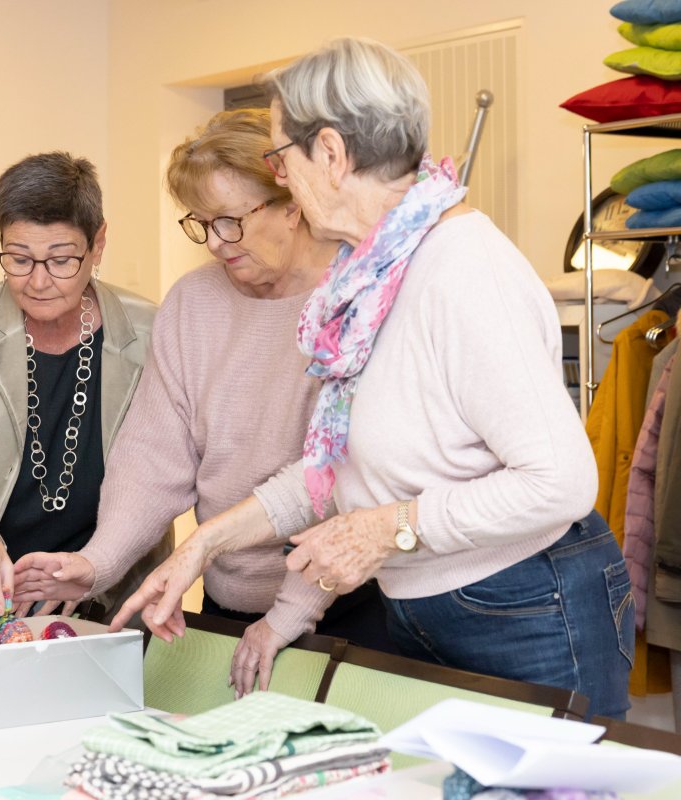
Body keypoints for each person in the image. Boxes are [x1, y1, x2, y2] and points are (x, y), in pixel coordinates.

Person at [112, 37, 632, 719]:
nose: (280, 178)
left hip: (531, 609)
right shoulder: (374, 273)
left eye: (280, 157)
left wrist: (389, 530)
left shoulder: (461, 268)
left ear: (329, 153)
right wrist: (207, 544)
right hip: (427, 611)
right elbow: (339, 467)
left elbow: (559, 482)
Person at [13, 110, 395, 669]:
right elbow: (152, 458)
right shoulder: (193, 302)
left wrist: (288, 613)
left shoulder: (357, 300)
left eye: (229, 221)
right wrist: (98, 562)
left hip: (350, 604)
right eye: (202, 223)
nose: (215, 242)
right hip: (225, 601)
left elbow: (342, 480)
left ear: (292, 203)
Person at [0, 152, 169, 629]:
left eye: (62, 260)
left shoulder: (151, 331)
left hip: (118, 593)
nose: (38, 281)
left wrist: (99, 563)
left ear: (98, 244)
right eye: (19, 259)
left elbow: (165, 472)